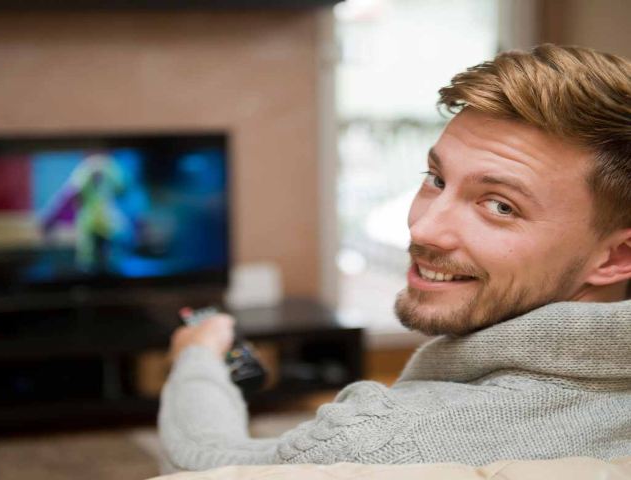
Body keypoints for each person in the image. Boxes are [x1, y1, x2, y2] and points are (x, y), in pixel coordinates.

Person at [158, 44, 631, 470]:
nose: (422, 227)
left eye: (500, 205)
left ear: (617, 256)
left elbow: (213, 463)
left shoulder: (380, 444)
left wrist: (197, 355)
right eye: (436, 178)